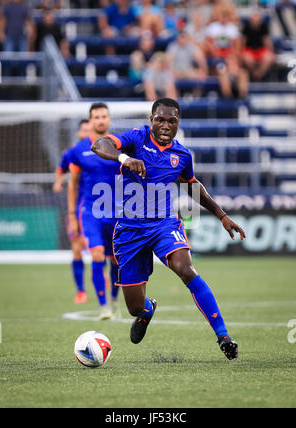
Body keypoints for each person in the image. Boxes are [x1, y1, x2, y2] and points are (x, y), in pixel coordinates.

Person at [91, 97, 246, 360]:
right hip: (129, 229)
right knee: (134, 306)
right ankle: (147, 310)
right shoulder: (137, 138)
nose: (165, 125)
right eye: (160, 119)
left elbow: (193, 187)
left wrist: (222, 216)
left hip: (164, 223)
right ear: (151, 120)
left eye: (171, 120)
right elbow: (99, 144)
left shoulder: (182, 155)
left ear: (178, 123)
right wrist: (125, 158)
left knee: (186, 270)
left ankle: (223, 336)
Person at [68, 103, 121, 320]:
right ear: (90, 121)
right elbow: (72, 184)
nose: (100, 120)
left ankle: (115, 300)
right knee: (97, 253)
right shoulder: (78, 150)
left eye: (103, 116)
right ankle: (103, 306)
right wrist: (72, 215)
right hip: (91, 212)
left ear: (109, 119)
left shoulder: (120, 146)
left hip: (118, 212)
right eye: (96, 117)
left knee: (117, 260)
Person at [53, 119, 92, 304]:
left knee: (105, 250)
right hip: (78, 207)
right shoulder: (73, 153)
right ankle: (81, 291)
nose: (85, 133)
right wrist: (58, 181)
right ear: (78, 133)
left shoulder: (103, 150)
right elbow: (61, 169)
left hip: (100, 208)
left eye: (88, 130)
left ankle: (105, 280)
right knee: (77, 248)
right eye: (83, 130)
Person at [204, 7, 248, 98]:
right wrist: (217, 54)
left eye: (225, 17)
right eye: (221, 16)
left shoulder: (232, 28)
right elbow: (209, 44)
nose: (223, 19)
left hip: (229, 56)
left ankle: (242, 95)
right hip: (217, 56)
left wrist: (231, 56)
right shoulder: (213, 27)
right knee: (223, 72)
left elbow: (237, 46)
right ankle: (227, 95)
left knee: (242, 73)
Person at [241, 11, 275, 82]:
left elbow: (266, 40)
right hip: (249, 50)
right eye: (254, 18)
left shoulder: (264, 27)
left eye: (258, 19)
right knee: (247, 59)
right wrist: (240, 52)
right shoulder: (246, 27)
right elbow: (243, 41)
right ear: (251, 19)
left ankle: (259, 75)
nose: (256, 20)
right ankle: (254, 74)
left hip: (260, 50)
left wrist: (272, 52)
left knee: (269, 58)